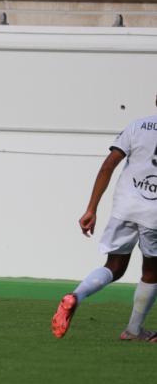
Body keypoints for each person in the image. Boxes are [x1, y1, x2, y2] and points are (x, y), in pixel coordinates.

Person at [51, 108, 157, 341]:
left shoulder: (138, 126)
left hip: (125, 208)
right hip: (154, 213)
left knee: (114, 265)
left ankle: (76, 296)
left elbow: (108, 166)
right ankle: (133, 330)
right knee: (151, 271)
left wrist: (91, 208)